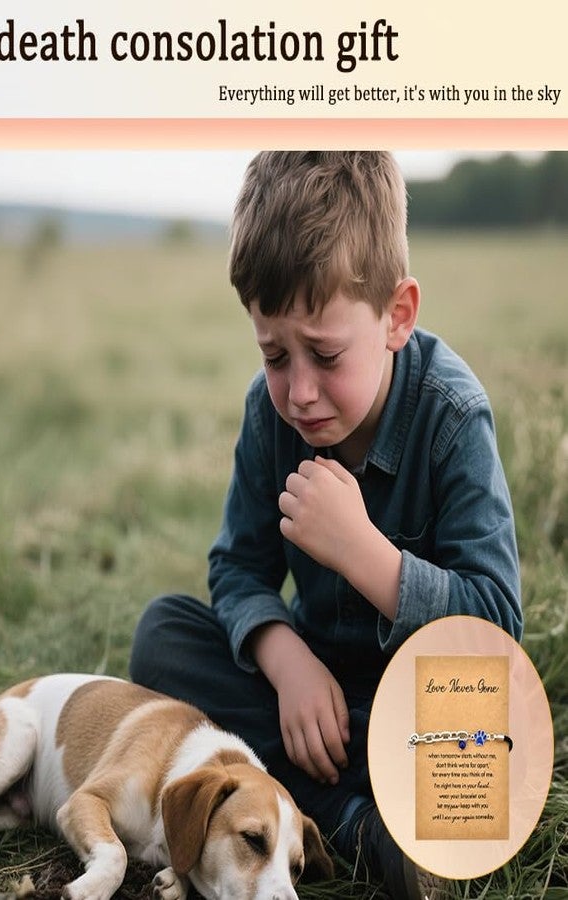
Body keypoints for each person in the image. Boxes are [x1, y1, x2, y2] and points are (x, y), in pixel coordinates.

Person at [129, 151, 522, 899]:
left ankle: (350, 814)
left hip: (416, 709)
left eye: (326, 353)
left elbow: (496, 623)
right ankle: (359, 827)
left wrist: (366, 554)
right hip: (307, 705)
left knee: (484, 727)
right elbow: (237, 569)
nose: (299, 391)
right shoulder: (267, 415)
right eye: (274, 354)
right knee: (163, 634)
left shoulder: (451, 416)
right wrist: (284, 660)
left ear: (396, 316)